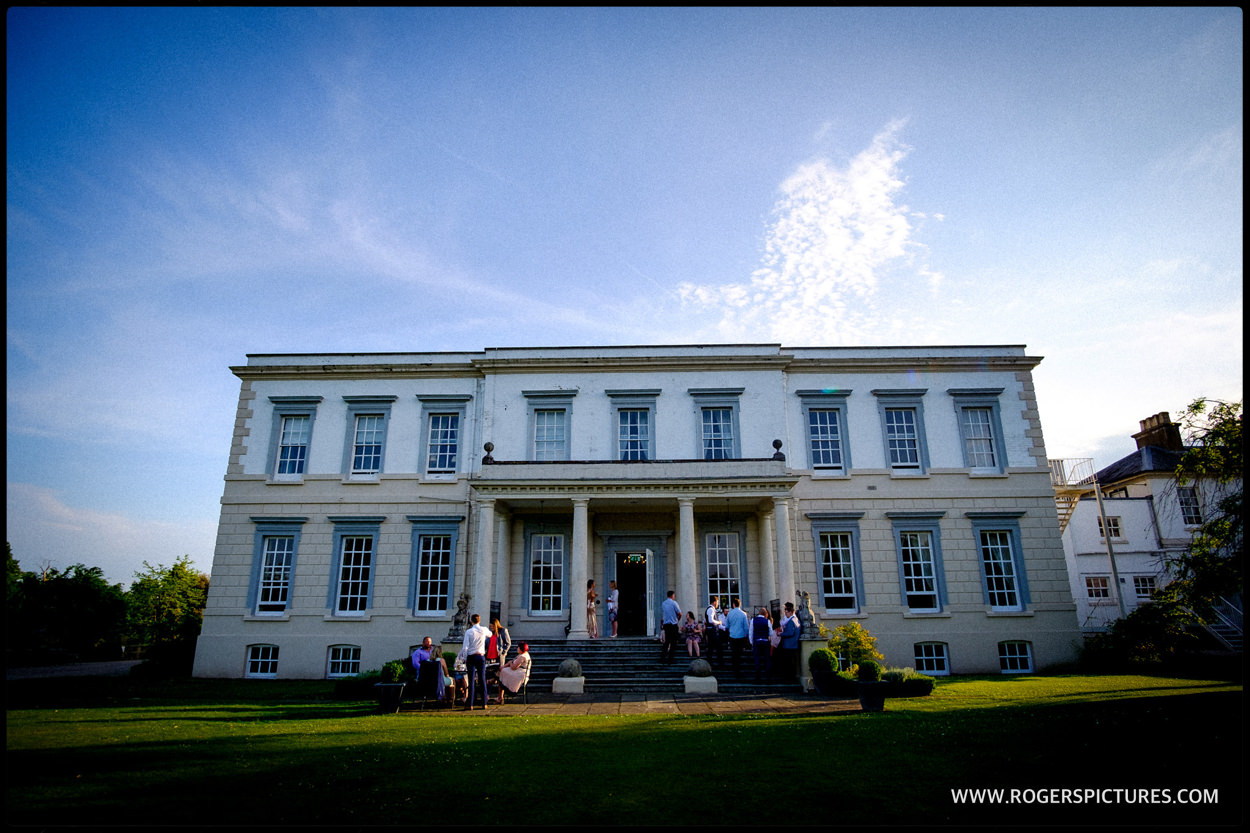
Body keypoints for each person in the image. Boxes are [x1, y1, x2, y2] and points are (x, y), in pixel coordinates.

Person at [458, 613, 491, 710]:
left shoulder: (469, 632)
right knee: (482, 679)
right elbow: (490, 634)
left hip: (471, 657)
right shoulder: (483, 630)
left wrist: (464, 658)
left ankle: (470, 703)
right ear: (479, 621)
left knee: (471, 680)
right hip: (480, 656)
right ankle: (484, 702)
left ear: (471, 621)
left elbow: (465, 647)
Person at [411, 637, 449, 704]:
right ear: (423, 642)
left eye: (430, 642)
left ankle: (444, 699)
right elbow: (415, 664)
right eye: (427, 642)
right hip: (424, 676)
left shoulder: (433, 651)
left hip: (436, 675)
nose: (429, 643)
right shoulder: (417, 653)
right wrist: (426, 669)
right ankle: (445, 699)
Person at [773, 602, 800, 683]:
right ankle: (790, 678)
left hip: (789, 645)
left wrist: (780, 634)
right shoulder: (795, 620)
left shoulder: (791, 621)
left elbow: (790, 633)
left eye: (787, 612)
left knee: (789, 664)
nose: (785, 614)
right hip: (792, 645)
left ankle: (789, 679)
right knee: (790, 663)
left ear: (791, 612)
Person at [485, 618, 511, 703]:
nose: (491, 628)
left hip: (498, 657)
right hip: (489, 657)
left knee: (499, 677)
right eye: (490, 626)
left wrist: (503, 652)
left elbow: (508, 643)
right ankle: (487, 695)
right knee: (488, 677)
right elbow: (486, 643)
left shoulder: (503, 631)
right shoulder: (489, 633)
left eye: (492, 626)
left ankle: (500, 697)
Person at [723, 597, 750, 677]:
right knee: (739, 653)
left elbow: (727, 626)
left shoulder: (730, 614)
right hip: (741, 636)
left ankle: (735, 670)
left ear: (733, 604)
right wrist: (747, 636)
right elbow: (746, 626)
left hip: (732, 635)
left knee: (734, 653)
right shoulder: (743, 614)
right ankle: (739, 670)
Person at [751, 607, 772, 682]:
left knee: (757, 659)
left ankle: (757, 678)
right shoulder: (767, 621)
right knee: (767, 660)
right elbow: (771, 632)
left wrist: (751, 642)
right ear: (765, 614)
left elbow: (751, 632)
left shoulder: (753, 620)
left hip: (757, 641)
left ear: (759, 613)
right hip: (765, 641)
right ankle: (768, 678)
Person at [660, 590, 681, 663]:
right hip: (673, 624)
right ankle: (670, 659)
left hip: (666, 625)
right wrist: (677, 620)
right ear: (672, 596)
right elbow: (679, 613)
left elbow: (664, 614)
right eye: (674, 595)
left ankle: (663, 657)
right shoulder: (674, 603)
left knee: (667, 641)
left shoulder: (663, 603)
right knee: (673, 642)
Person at [704, 596, 724, 664]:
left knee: (711, 647)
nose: (718, 604)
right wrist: (718, 622)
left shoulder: (709, 609)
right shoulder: (711, 609)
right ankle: (719, 662)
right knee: (718, 647)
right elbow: (710, 620)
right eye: (717, 602)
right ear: (714, 602)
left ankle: (711, 662)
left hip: (710, 630)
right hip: (712, 630)